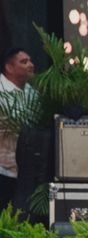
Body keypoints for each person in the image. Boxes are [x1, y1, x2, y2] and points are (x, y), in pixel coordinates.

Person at [0, 48, 37, 210]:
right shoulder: (2, 92)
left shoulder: (31, 92)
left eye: (30, 61)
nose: (31, 65)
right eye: (24, 62)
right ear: (9, 68)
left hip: (21, 173)